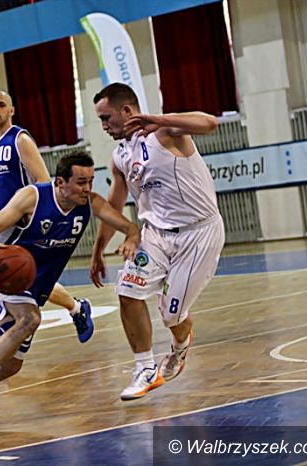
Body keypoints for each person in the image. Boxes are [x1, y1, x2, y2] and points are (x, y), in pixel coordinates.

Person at [0, 152, 140, 428]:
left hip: (35, 285)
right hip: (1, 272)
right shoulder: (31, 197)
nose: (87, 188)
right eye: (80, 182)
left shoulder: (91, 203)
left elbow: (129, 226)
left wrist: (130, 238)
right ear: (60, 182)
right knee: (30, 319)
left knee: (11, 365)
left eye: (90, 181)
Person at [90, 83, 225, 401]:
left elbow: (210, 123)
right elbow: (114, 205)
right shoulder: (120, 156)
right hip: (155, 236)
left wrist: (159, 119)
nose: (104, 126)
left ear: (127, 111)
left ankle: (180, 345)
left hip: (198, 233)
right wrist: (98, 249)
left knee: (171, 315)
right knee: (127, 291)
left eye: (106, 118)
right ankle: (145, 369)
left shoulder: (165, 132)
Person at [0, 91, 94, 344]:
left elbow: (44, 179)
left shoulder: (20, 139)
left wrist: (33, 213)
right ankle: (76, 307)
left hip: (22, 220)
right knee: (21, 276)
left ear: (11, 110)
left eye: (1, 105)